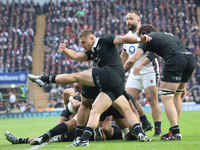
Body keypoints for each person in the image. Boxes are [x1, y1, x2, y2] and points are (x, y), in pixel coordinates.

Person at [28, 29, 152, 147]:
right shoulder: (92, 52)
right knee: (101, 109)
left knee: (76, 76)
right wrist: (65, 50)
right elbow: (77, 56)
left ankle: (44, 80)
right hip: (116, 83)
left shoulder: (104, 40)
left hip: (110, 74)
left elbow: (123, 39)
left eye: (83, 42)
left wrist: (140, 41)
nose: (82, 45)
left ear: (92, 38)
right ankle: (84, 139)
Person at [124, 24, 196, 141]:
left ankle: (176, 132)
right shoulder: (166, 35)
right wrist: (184, 84)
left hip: (175, 59)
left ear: (142, 35)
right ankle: (173, 130)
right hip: (189, 58)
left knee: (166, 98)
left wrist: (119, 73)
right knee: (177, 95)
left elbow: (132, 60)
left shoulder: (147, 39)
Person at [121, 11, 162, 136]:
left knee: (152, 99)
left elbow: (154, 52)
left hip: (149, 70)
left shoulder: (147, 33)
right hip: (134, 72)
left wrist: (141, 64)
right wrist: (118, 70)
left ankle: (158, 131)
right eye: (127, 19)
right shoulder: (126, 37)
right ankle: (144, 122)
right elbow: (124, 55)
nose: (128, 21)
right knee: (128, 99)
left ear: (138, 20)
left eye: (131, 19)